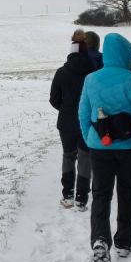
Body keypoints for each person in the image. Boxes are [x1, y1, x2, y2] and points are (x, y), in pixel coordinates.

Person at [79, 33, 131, 262]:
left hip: (99, 147)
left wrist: (90, 139)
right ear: (126, 55)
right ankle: (124, 242)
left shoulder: (91, 79)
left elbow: (83, 114)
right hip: (130, 148)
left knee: (100, 194)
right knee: (127, 193)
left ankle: (100, 239)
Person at [50, 30, 97, 211]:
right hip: (87, 121)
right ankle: (81, 198)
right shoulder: (94, 72)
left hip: (67, 122)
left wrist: (66, 109)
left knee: (68, 156)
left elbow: (54, 99)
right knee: (85, 158)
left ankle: (67, 195)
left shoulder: (61, 72)